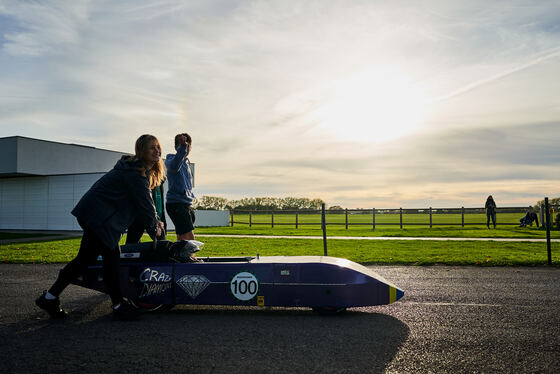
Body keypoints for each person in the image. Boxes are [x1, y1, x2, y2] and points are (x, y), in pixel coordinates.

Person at [35, 135, 165, 320]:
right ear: (141, 151)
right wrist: (156, 230)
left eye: (158, 147)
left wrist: (154, 222)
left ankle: (50, 297)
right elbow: (145, 204)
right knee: (111, 259)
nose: (157, 151)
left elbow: (145, 204)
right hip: (99, 218)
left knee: (85, 259)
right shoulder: (136, 172)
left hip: (95, 215)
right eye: (152, 148)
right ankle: (119, 306)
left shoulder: (137, 170)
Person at [165, 133, 196, 244]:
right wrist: (182, 148)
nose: (185, 148)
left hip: (186, 203)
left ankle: (180, 258)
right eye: (182, 145)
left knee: (182, 236)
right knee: (189, 235)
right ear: (176, 147)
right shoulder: (171, 160)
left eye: (187, 146)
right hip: (176, 204)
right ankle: (191, 258)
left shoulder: (187, 164)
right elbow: (175, 165)